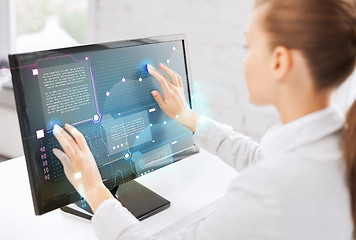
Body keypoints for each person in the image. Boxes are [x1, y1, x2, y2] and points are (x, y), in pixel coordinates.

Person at [52, 0, 356, 239]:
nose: (244, 59)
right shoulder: (335, 149)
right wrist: (188, 117)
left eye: (249, 46)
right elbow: (260, 159)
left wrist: (92, 188)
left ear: (279, 61)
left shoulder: (270, 191)